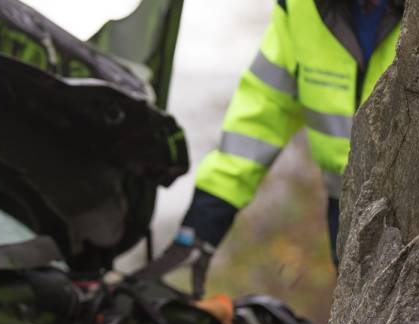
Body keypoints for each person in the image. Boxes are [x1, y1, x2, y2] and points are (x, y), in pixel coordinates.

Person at [148, 0, 403, 283]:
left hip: (418, 209)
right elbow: (262, 113)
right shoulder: (300, 7)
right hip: (345, 205)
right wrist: (201, 228)